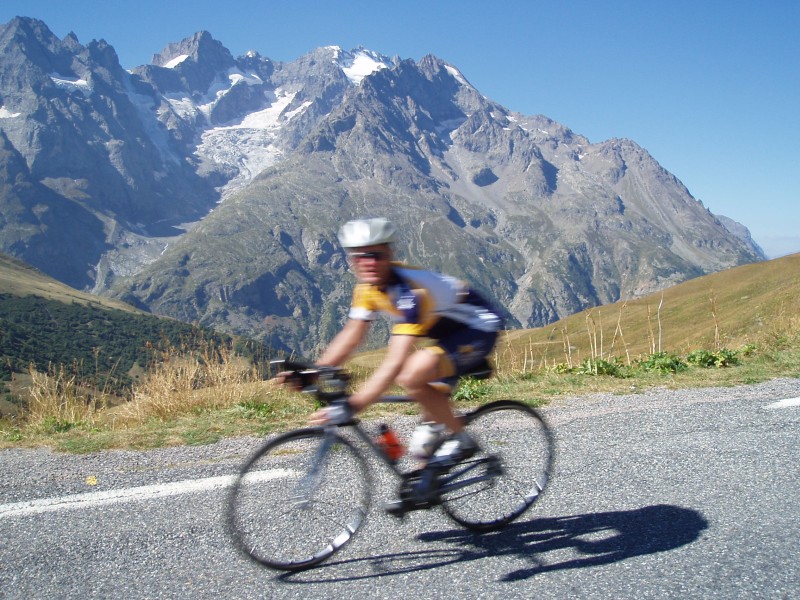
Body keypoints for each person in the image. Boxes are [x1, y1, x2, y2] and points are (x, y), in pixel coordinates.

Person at [304, 216, 503, 469]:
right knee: (422, 450)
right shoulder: (366, 289)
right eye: (359, 257)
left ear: (388, 254)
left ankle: (464, 440)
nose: (368, 263)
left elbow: (395, 360)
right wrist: (312, 372)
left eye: (375, 255)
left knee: (411, 375)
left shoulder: (411, 293)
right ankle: (426, 484)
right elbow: (352, 334)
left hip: (478, 327)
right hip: (442, 335)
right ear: (350, 260)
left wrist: (355, 404)